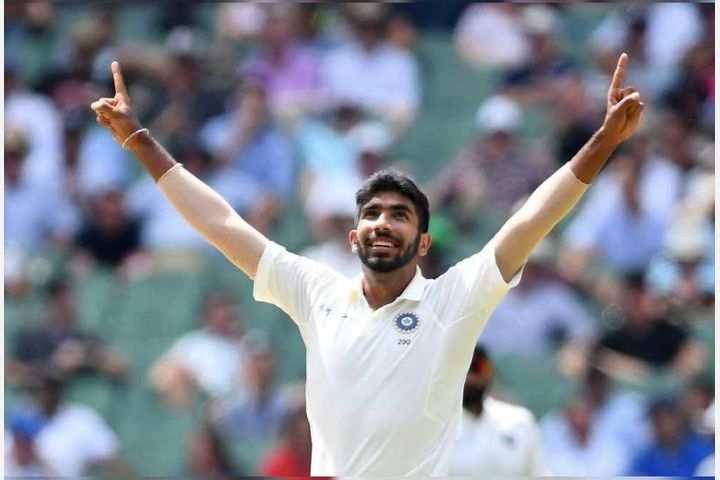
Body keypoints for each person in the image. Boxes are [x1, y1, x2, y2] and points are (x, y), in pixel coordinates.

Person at [91, 52, 644, 476]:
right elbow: (222, 224)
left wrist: (603, 141)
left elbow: (531, 221)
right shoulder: (317, 291)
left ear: (422, 243)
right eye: (373, 213)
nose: (384, 222)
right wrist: (141, 141)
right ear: (353, 237)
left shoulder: (453, 299)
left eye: (401, 215)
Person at [450, 346, 545, 476]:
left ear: (489, 371)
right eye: (464, 369)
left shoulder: (520, 420)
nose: (471, 378)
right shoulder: (438, 428)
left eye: (477, 367)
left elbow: (537, 473)